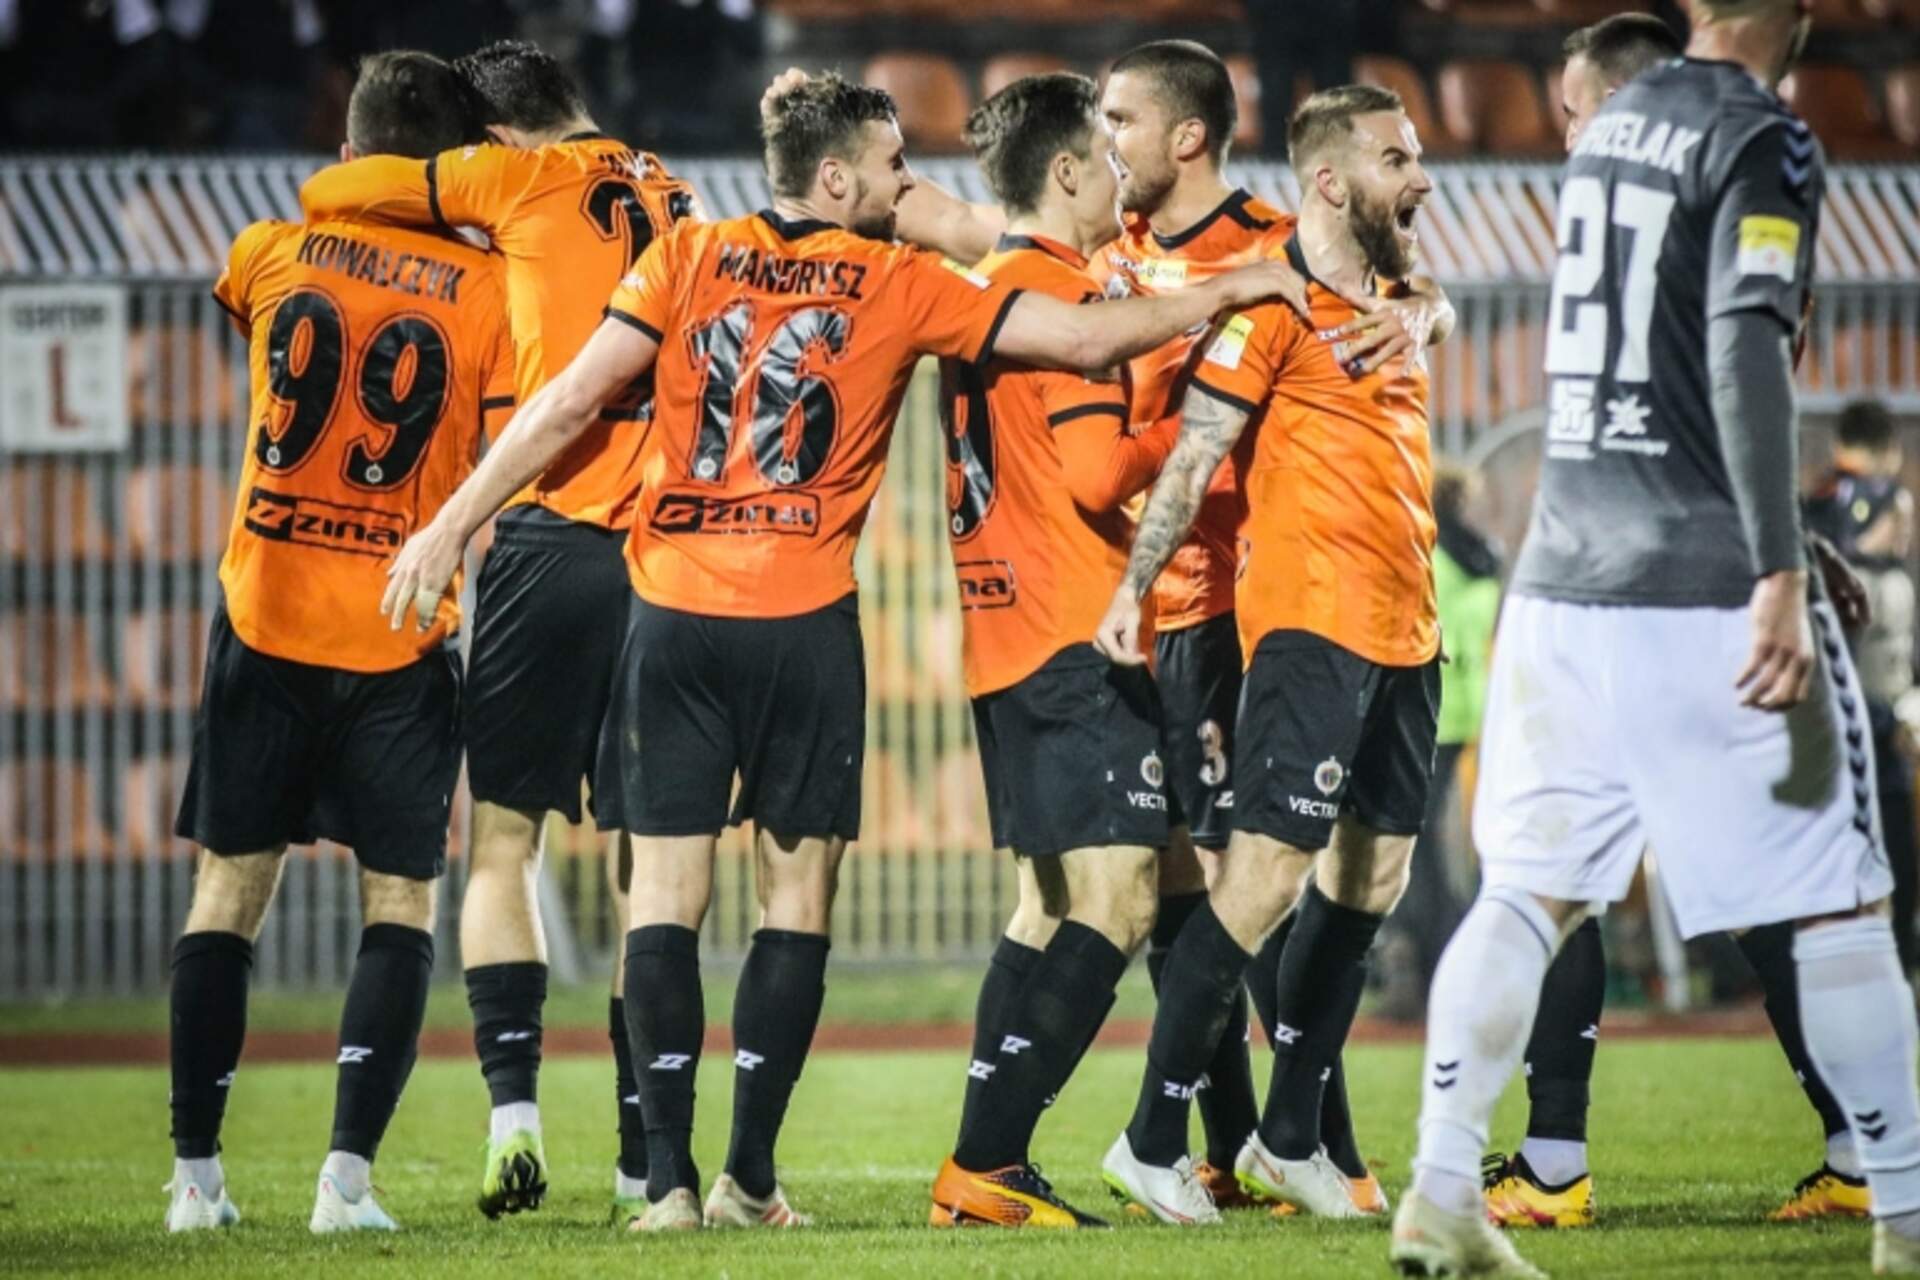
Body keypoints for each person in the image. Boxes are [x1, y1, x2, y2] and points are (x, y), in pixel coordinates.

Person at [379, 71, 1313, 1232]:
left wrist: (450, 524)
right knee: (798, 895)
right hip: (803, 616)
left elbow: (567, 401)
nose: (903, 186)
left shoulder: (686, 255)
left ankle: (665, 1184)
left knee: (662, 892)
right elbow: (1077, 336)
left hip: (671, 612)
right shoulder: (894, 280)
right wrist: (1237, 285)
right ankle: (749, 1177)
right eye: (888, 167)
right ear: (835, 178)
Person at [1391, 0, 1920, 1273]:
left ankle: (1443, 1185)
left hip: (1562, 583)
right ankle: (1907, 1209)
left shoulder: (1610, 136)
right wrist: (1780, 560)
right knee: (1840, 901)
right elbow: (1741, 352)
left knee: (1526, 892)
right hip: (1702, 585)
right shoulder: (1760, 134)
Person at [298, 38, 703, 1223]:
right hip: (664, 554)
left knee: (504, 839)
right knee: (648, 859)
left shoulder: (513, 177)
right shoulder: (677, 190)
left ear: (500, 135)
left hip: (551, 537)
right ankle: (643, 1156)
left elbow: (338, 189)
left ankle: (514, 1118)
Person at [1091, 40, 1452, 1219]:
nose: (1422, 177)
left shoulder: (1399, 299)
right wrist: (1133, 589)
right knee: (1259, 880)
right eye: (1398, 158)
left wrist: (1432, 310)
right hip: (1310, 621)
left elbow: (1429, 309)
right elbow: (1195, 455)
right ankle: (1152, 1137)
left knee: (1372, 877)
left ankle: (1290, 1135)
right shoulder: (1270, 303)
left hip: (1408, 627)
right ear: (1333, 181)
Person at [164, 50, 515, 1235]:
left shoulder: (268, 252)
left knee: (228, 889)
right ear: (452, 164)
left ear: (351, 143)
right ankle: (344, 1185)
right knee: (400, 900)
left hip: (265, 615)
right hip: (399, 632)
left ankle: (195, 1181)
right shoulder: (488, 292)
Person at [926, 71, 1186, 1231]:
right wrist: (1192, 424)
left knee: (1044, 904)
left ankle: (986, 1163)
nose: (1123, 177)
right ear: (1067, 171)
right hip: (1073, 627)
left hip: (1002, 629)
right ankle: (985, 1160)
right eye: (1108, 157)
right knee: (1119, 898)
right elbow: (1093, 472)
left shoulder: (991, 290)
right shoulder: (1061, 296)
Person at [1377, 460, 1492, 1021]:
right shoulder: (1482, 557)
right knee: (1429, 847)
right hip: (1468, 710)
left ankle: (1436, 971)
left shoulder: (1424, 551)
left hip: (1425, 711)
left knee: (1413, 851)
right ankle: (1448, 969)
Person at [1806, 398, 1918, 976]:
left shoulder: (1813, 509)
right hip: (1858, 729)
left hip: (1856, 727)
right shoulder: (1859, 540)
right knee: (1877, 863)